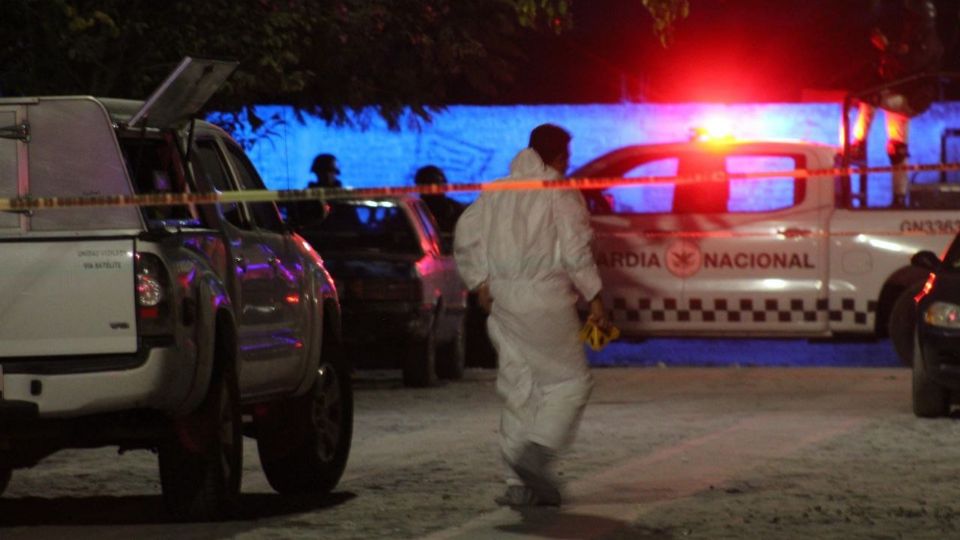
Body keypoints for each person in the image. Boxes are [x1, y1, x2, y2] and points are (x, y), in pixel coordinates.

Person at [453, 124, 609, 507]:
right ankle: (536, 456)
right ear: (559, 156)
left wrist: (481, 283)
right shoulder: (558, 191)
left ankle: (515, 482)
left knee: (519, 385)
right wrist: (596, 296)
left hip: (504, 299)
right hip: (544, 296)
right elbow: (575, 249)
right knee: (569, 383)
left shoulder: (495, 191)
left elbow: (465, 235)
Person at [850, 0, 943, 207]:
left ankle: (857, 143)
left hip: (912, 99)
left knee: (870, 97)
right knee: (897, 148)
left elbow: (910, 64)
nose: (906, 22)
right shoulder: (915, 38)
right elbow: (899, 64)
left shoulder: (929, 41)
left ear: (919, 18)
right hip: (902, 95)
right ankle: (899, 197)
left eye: (910, 17)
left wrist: (887, 47)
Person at [414, 165, 464, 254]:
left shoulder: (455, 209)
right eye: (428, 183)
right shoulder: (413, 210)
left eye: (437, 183)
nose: (434, 187)